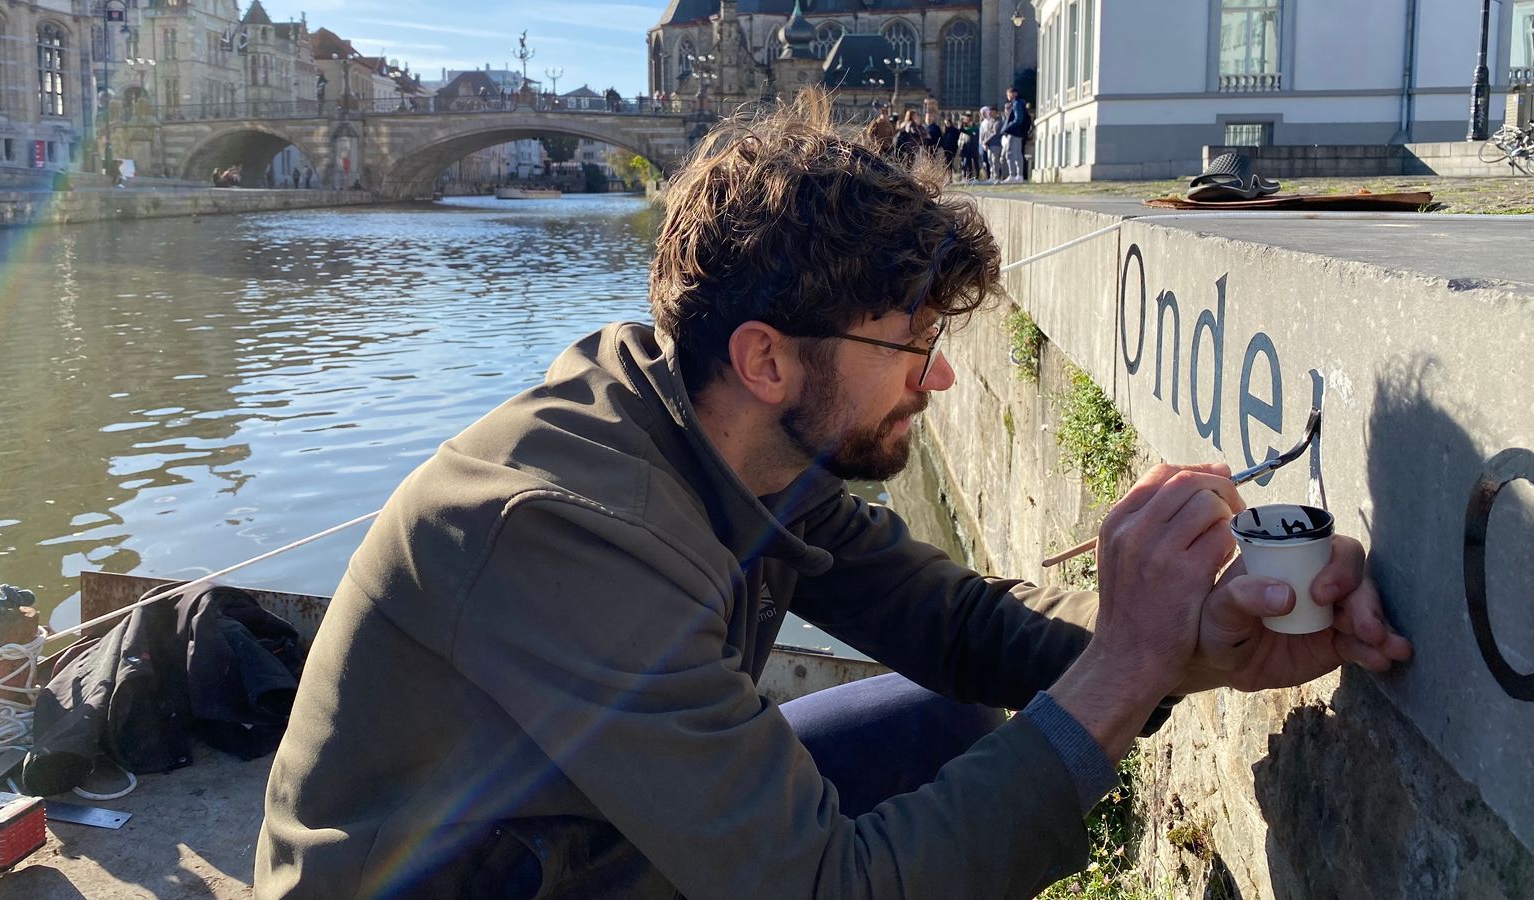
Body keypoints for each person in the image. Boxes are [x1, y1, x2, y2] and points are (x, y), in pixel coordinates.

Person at [255, 92, 1411, 899]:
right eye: (908, 342)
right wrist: (1119, 673)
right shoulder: (561, 528)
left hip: (573, 838)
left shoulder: (728, 434)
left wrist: (1193, 640)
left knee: (945, 718)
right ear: (768, 358)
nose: (940, 374)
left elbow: (956, 626)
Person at [999, 86, 1032, 184]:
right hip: (1018, 133)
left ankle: (1012, 175)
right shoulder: (1019, 104)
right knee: (1018, 154)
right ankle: (1019, 175)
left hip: (1013, 132)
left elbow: (1018, 119)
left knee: (1010, 153)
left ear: (1014, 93)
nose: (1007, 96)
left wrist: (1007, 127)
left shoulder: (1016, 104)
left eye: (1008, 93)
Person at [978, 105, 999, 183]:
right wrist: (982, 143)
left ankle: (994, 176)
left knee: (993, 161)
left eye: (985, 112)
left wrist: (985, 141)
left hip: (992, 143)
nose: (984, 114)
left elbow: (992, 133)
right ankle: (990, 177)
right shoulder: (983, 123)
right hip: (985, 144)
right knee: (988, 161)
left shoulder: (993, 121)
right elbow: (982, 135)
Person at [958, 112, 981, 181]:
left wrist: (963, 124)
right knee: (967, 164)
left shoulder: (975, 128)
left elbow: (965, 131)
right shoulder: (966, 128)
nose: (968, 121)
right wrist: (962, 122)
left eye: (969, 120)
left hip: (974, 148)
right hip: (966, 149)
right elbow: (961, 130)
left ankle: (977, 178)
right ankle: (968, 177)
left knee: (975, 163)